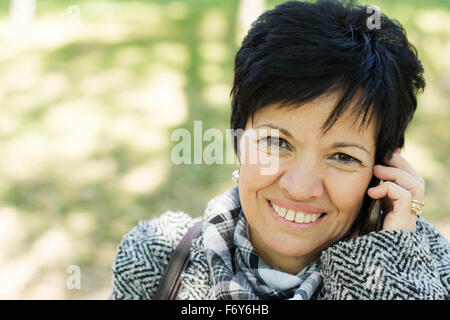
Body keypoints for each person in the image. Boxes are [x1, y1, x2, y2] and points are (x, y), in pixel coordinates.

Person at [109, 0, 449, 299]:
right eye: (276, 142)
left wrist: (390, 269)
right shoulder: (156, 260)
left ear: (385, 166)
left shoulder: (431, 274)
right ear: (240, 140)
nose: (300, 187)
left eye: (343, 157)